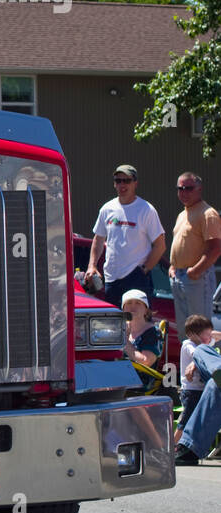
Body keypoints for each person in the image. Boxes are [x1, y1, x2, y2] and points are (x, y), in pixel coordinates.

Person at [84, 165, 166, 310]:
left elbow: (160, 246)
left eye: (126, 181)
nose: (122, 185)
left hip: (136, 278)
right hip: (111, 278)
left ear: (135, 183)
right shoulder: (107, 209)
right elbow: (98, 239)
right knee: (115, 326)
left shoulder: (146, 209)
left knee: (137, 323)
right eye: (118, 180)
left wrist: (144, 270)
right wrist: (92, 265)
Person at [169, 171, 220, 344]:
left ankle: (205, 369)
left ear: (199, 189)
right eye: (180, 188)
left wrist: (196, 271)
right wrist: (172, 267)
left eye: (188, 188)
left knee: (200, 329)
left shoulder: (208, 213)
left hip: (196, 277)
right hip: (179, 276)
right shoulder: (182, 214)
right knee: (186, 331)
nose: (184, 192)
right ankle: (188, 368)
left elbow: (215, 248)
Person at [175, 314, 215, 445]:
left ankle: (186, 446)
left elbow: (215, 337)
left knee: (196, 420)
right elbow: (197, 354)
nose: (210, 338)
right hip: (191, 391)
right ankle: (172, 446)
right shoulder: (188, 345)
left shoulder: (202, 343)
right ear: (193, 335)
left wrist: (210, 337)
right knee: (185, 420)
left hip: (200, 389)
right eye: (206, 335)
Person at [121, 289, 162, 391]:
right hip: (119, 378)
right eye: (129, 303)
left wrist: (124, 341)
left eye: (138, 303)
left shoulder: (153, 332)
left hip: (141, 383)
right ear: (123, 309)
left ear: (146, 309)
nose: (132, 306)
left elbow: (146, 361)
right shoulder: (119, 329)